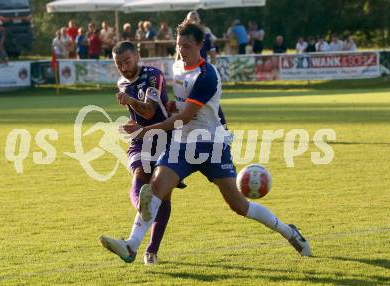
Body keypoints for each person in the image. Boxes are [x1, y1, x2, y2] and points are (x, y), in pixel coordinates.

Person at [100, 22, 311, 263]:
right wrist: (170, 107)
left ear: (200, 45)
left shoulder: (207, 75)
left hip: (211, 144)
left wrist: (145, 130)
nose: (182, 51)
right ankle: (132, 246)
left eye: (187, 46)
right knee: (156, 187)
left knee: (239, 205)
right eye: (179, 46)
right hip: (183, 142)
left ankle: (289, 232)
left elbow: (184, 117)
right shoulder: (178, 66)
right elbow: (179, 108)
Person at [108, 41, 186, 265]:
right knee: (139, 177)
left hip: (165, 136)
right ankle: (142, 210)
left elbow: (151, 110)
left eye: (127, 61)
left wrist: (130, 100)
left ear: (137, 56)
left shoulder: (153, 75)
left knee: (163, 194)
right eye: (118, 64)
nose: (123, 67)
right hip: (141, 138)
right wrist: (132, 123)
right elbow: (139, 114)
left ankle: (151, 250)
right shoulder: (122, 82)